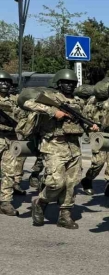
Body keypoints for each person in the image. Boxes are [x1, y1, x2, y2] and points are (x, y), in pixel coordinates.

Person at [25, 69, 99, 229]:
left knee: (72, 183)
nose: (69, 86)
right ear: (59, 83)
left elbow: (84, 120)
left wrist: (91, 126)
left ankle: (65, 215)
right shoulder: (50, 97)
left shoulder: (78, 101)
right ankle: (40, 202)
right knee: (56, 183)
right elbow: (28, 103)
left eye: (72, 83)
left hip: (74, 145)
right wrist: (53, 111)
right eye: (66, 82)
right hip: (53, 145)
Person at [80, 78, 109, 196]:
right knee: (98, 161)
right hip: (97, 133)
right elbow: (84, 118)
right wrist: (90, 127)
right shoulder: (92, 102)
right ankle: (88, 179)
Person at [0, 71, 24, 216]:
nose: (4, 84)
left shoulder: (15, 100)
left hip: (11, 138)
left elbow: (22, 116)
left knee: (9, 172)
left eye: (7, 82)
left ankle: (5, 202)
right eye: (1, 82)